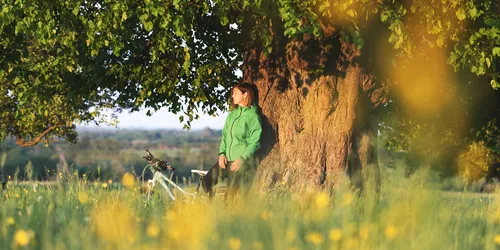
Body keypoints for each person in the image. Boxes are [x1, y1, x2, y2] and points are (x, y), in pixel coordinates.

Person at [201, 83, 262, 199]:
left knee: (230, 195)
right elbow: (224, 136)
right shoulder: (232, 116)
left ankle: (229, 215)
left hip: (241, 162)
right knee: (205, 184)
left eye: (235, 93)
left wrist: (242, 158)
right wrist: (221, 154)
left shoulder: (253, 116)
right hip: (226, 160)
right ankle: (208, 212)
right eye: (232, 93)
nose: (232, 96)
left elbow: (255, 142)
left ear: (245, 94)